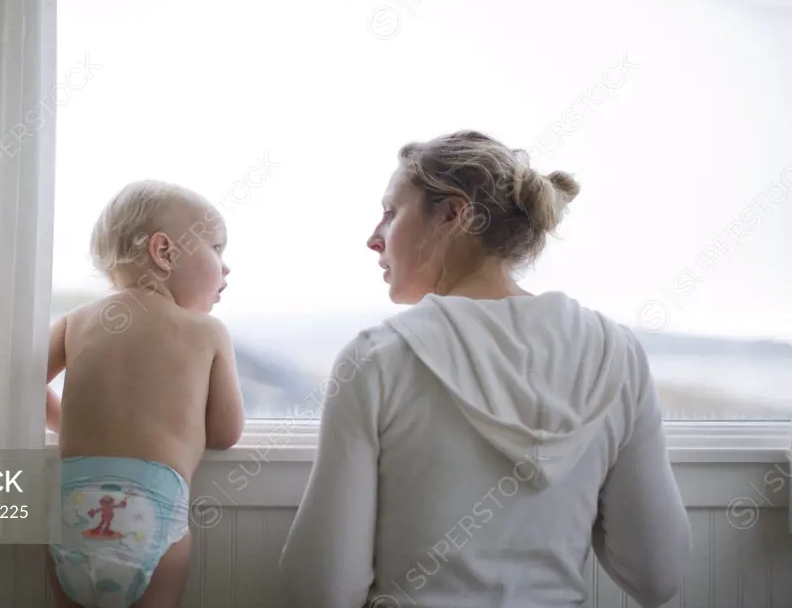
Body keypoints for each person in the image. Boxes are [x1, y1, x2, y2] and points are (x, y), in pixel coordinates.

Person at [278, 130, 692, 607]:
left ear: (453, 214)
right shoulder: (615, 353)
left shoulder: (377, 358)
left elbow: (320, 592)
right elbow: (659, 574)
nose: (374, 239)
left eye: (391, 213)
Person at [45, 180, 245, 608]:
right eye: (217, 248)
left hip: (71, 515)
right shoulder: (207, 332)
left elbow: (19, 388)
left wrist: (71, 425)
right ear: (164, 252)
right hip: (152, 515)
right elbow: (226, 432)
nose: (225, 268)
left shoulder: (76, 322)